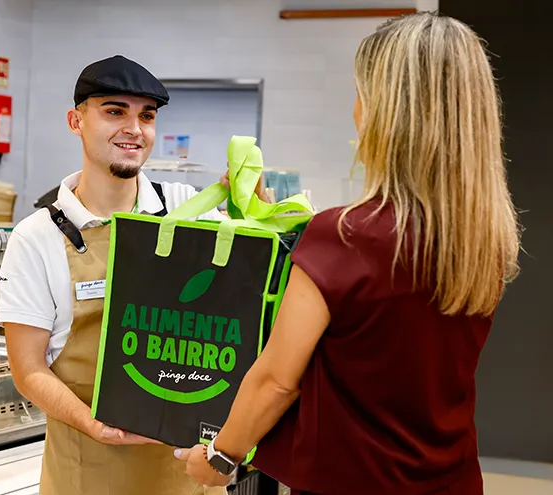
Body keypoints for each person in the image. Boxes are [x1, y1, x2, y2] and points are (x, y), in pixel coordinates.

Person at [174, 13, 520, 495]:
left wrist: (219, 456)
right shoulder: (484, 240)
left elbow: (277, 381)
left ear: (387, 111)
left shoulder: (345, 236)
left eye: (361, 93)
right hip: (451, 480)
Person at [0, 55, 251, 495]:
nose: (134, 128)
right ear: (76, 121)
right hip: (88, 472)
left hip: (191, 479)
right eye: (115, 112)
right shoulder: (37, 237)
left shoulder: (188, 209)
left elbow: (245, 302)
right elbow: (28, 370)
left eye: (146, 116)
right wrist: (95, 425)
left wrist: (253, 210)